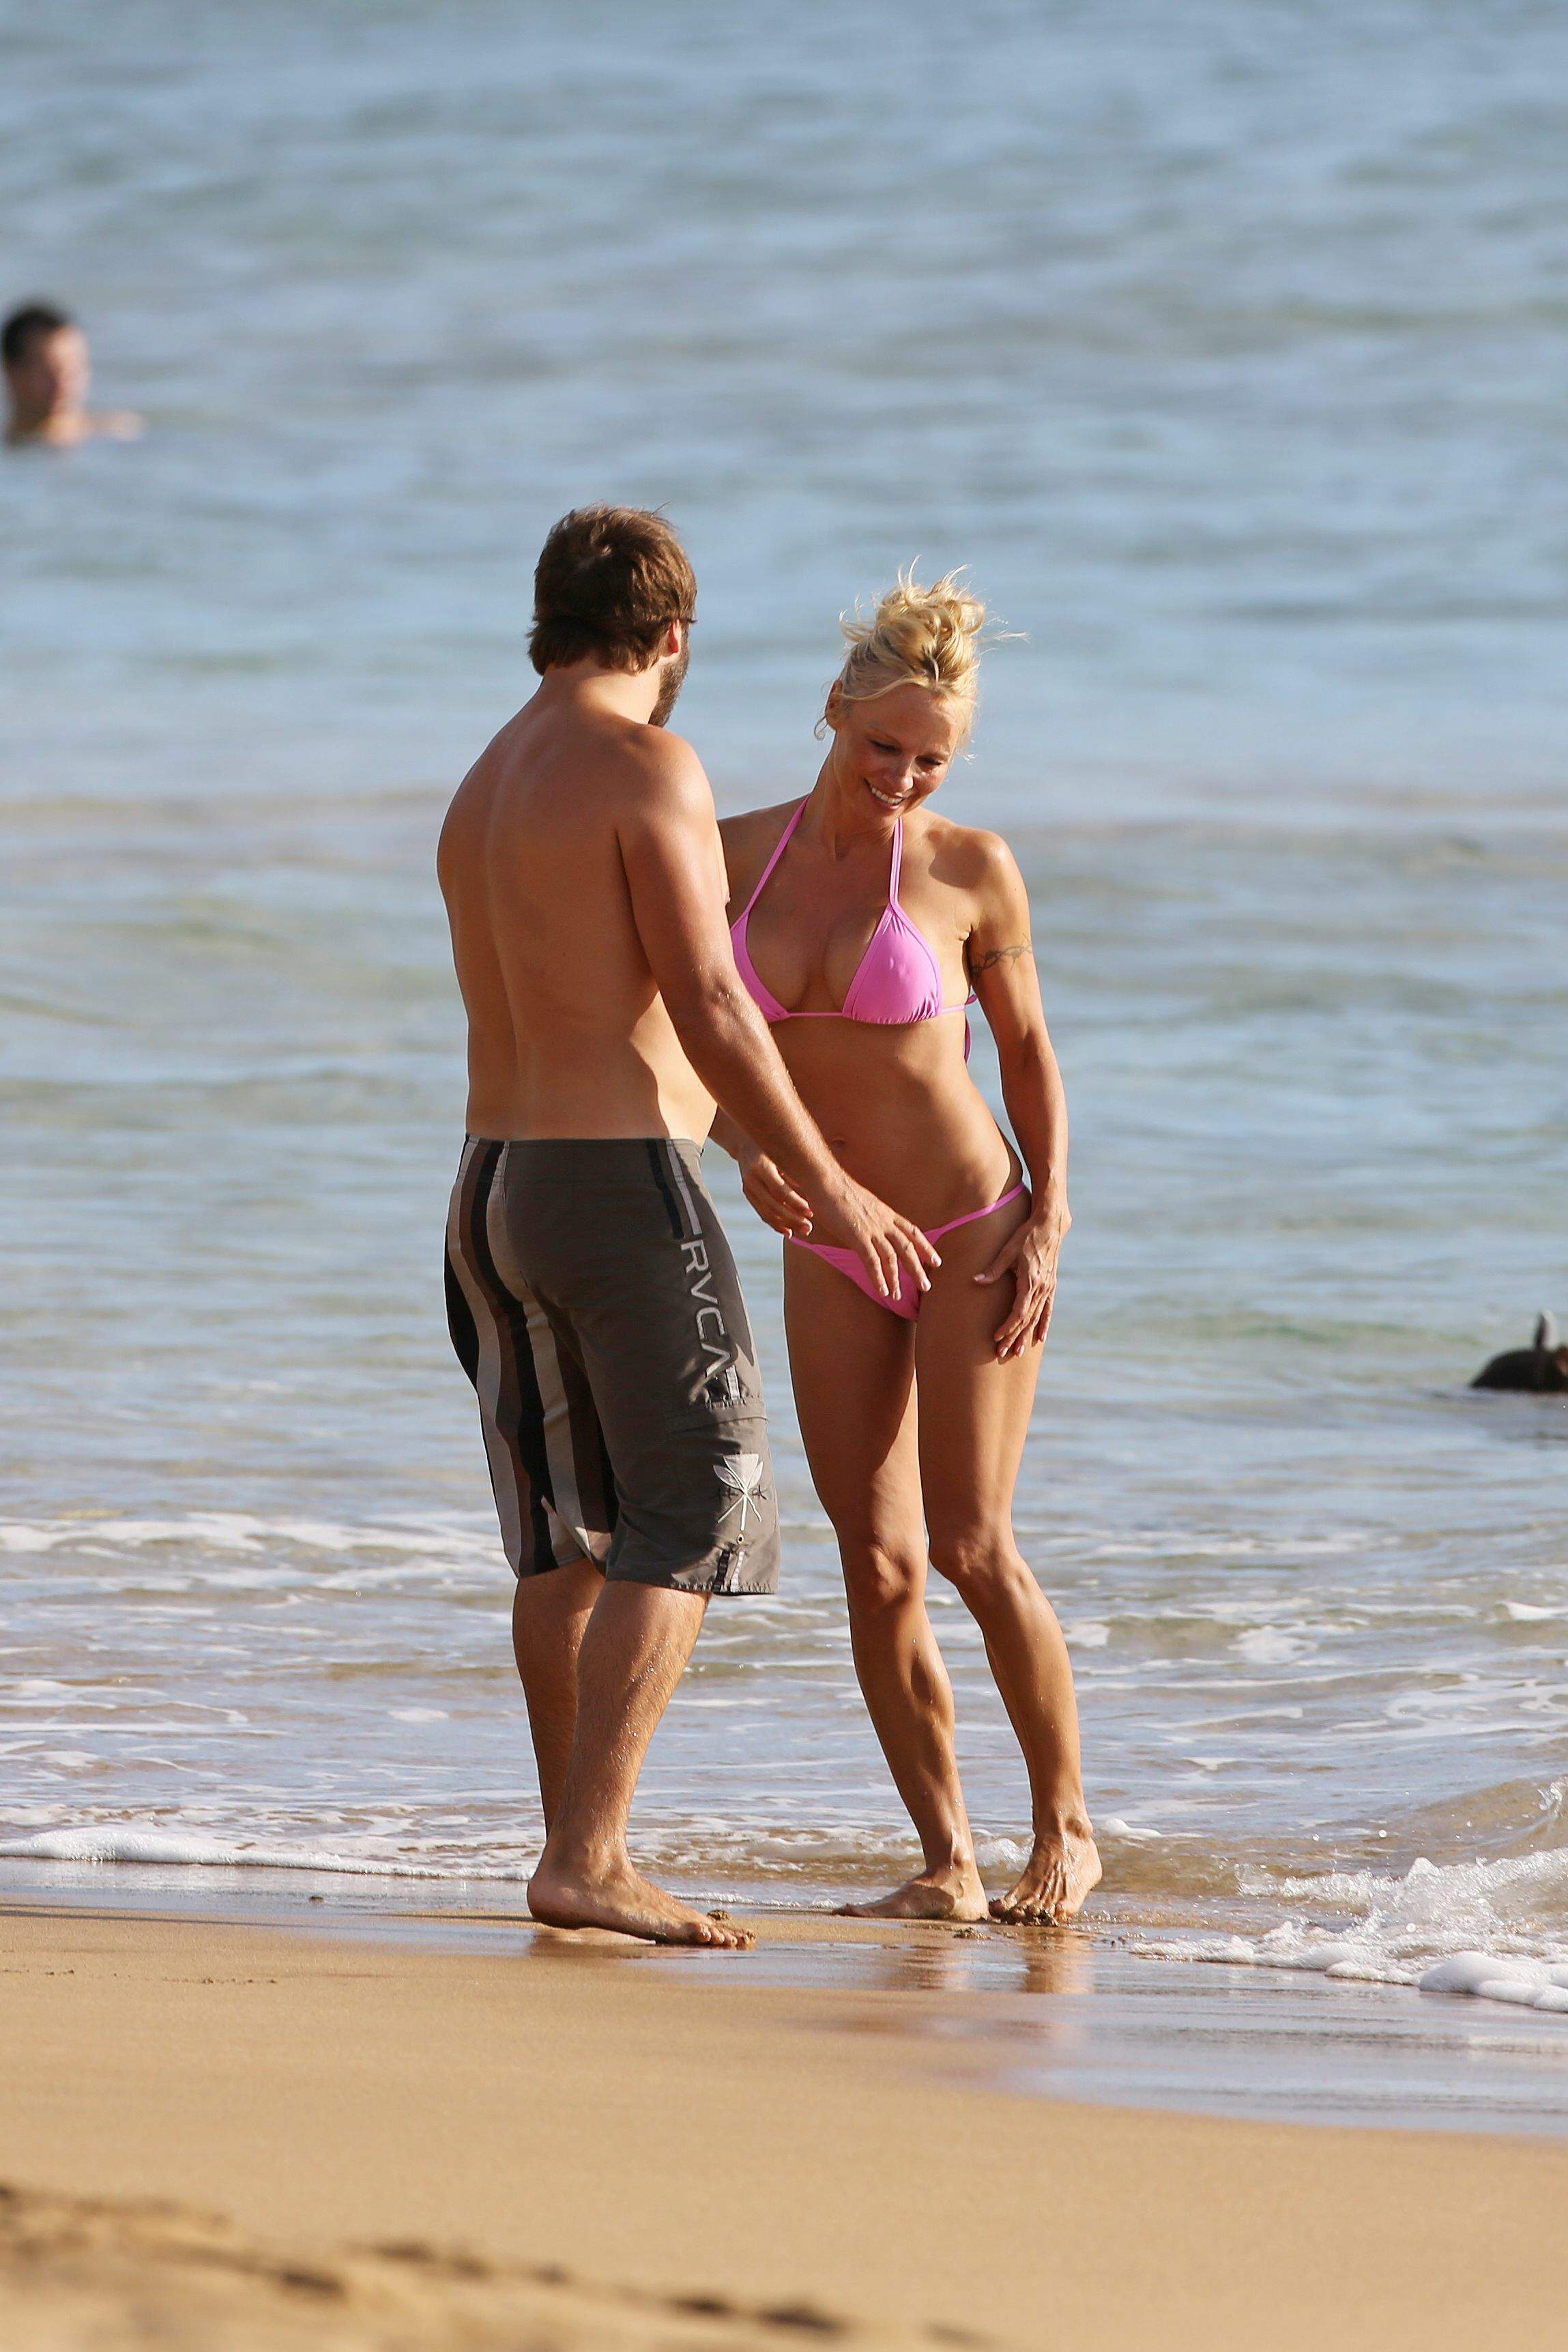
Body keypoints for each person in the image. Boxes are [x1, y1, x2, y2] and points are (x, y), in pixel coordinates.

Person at [438, 506, 938, 1949]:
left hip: (495, 1184)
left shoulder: (486, 783)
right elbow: (706, 995)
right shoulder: (646, 761)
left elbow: (584, 1001)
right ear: (672, 639)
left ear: (548, 621)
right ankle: (590, 1852)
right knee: (698, 1503)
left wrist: (739, 1142)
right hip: (612, 1191)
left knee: (564, 1542)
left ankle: (571, 1848)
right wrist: (829, 1178)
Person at [714, 572, 1100, 1925]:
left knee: (970, 1543)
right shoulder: (725, 854)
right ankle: (946, 1858)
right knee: (871, 1560)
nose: (904, 777)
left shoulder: (968, 868)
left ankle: (1067, 1827)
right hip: (831, 1240)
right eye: (884, 745)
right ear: (832, 710)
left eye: (933, 757)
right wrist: (751, 1153)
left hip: (969, 1225)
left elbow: (1030, 1051)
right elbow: (696, 1049)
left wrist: (1050, 1216)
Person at [3, 302, 141, 448]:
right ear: (11, 370)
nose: (62, 382)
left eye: (73, 369)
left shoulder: (119, 435)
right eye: (48, 370)